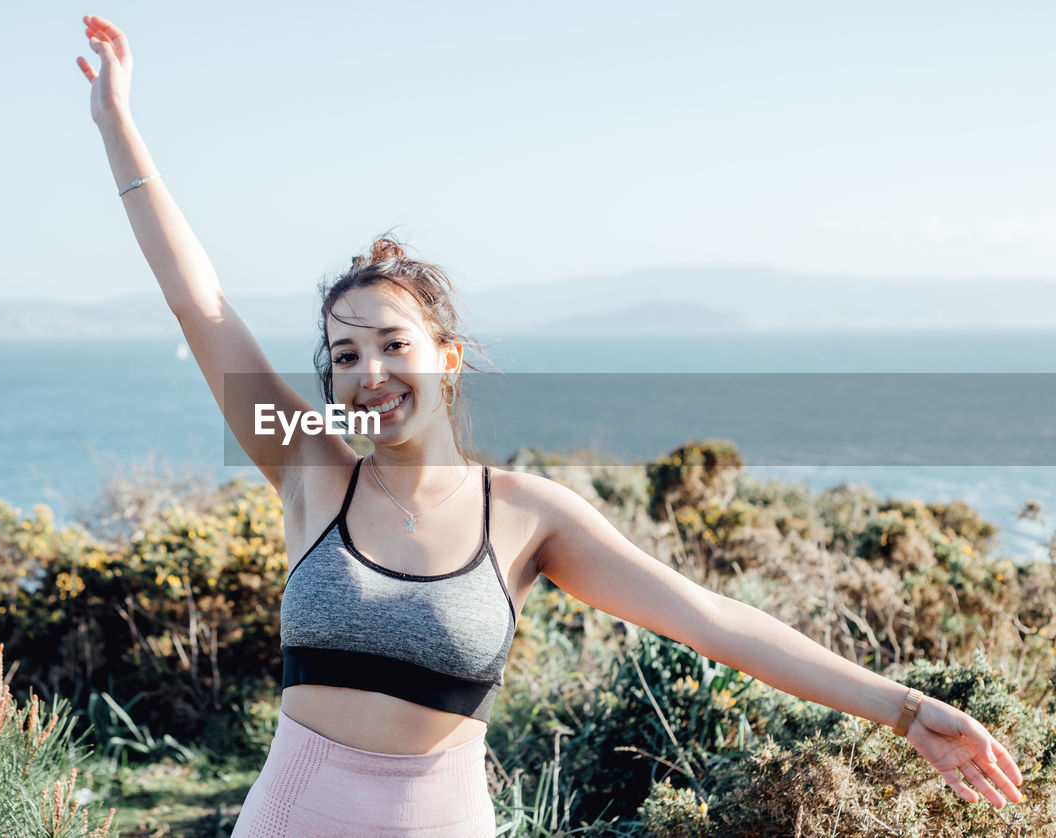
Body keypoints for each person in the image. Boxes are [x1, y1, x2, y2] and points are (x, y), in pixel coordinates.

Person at [75, 15, 1025, 836]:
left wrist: (901, 710)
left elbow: (713, 621)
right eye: (345, 355)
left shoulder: (528, 517)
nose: (368, 373)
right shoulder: (311, 468)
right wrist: (119, 125)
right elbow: (199, 305)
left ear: (446, 354)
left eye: (391, 344)